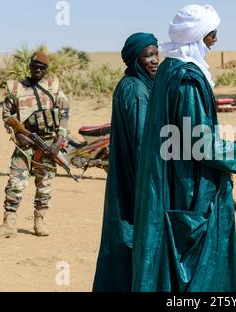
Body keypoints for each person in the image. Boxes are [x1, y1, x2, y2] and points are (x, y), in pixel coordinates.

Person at [131, 4, 236, 292]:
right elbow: (200, 144)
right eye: (212, 35)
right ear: (198, 36)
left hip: (176, 183)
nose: (215, 41)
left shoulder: (168, 70)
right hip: (191, 191)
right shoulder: (188, 80)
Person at [92, 33, 159, 291]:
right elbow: (144, 144)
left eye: (156, 54)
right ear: (135, 59)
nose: (154, 61)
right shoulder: (136, 90)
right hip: (137, 179)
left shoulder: (131, 85)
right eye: (147, 56)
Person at [0, 51, 69, 239]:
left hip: (48, 143)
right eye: (35, 67)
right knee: (15, 182)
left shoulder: (53, 88)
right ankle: (9, 224)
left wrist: (59, 141)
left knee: (45, 184)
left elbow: (64, 114)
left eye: (42, 68)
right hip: (24, 145)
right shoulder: (16, 88)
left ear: (47, 69)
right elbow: (7, 116)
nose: (38, 70)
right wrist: (18, 133)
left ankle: (39, 221)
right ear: (30, 67)